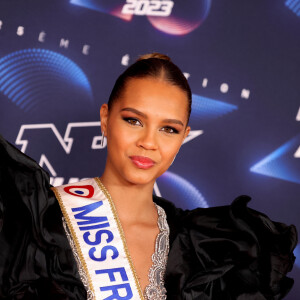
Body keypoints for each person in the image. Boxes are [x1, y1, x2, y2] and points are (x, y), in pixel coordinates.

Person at [0, 53, 297, 300]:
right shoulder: (37, 223)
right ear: (105, 119)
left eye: (169, 129)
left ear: (184, 137)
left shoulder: (203, 247)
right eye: (133, 120)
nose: (149, 142)